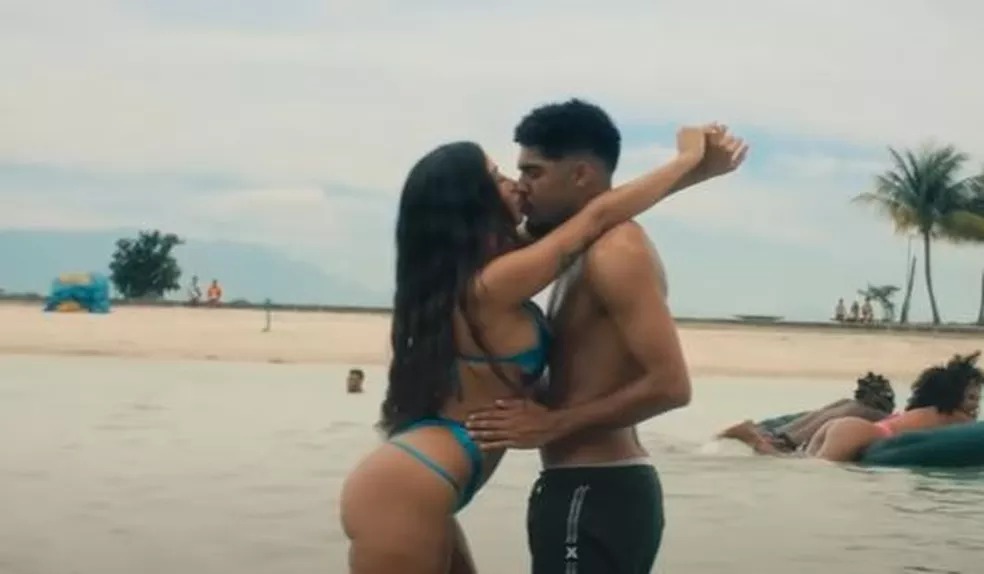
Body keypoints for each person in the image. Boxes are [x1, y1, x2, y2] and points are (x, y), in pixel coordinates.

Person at [340, 121, 739, 573]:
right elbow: (594, 219)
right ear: (473, 200)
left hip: (422, 484)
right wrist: (686, 163)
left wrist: (695, 173)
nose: (516, 184)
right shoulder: (493, 282)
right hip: (405, 487)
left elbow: (599, 212)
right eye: (498, 177)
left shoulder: (494, 269)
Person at [465, 99, 747, 574]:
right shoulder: (573, 247)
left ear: (580, 175)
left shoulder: (616, 251)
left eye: (533, 172)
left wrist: (554, 424)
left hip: (595, 489)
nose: (521, 186)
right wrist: (692, 171)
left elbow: (671, 386)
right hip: (582, 489)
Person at [731, 352, 981, 461]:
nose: (975, 404)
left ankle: (757, 441)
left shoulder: (924, 412)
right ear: (951, 396)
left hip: (846, 428)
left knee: (800, 462)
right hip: (857, 432)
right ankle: (755, 441)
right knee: (813, 469)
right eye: (970, 398)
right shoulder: (956, 418)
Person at [718, 372, 895, 452]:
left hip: (785, 431)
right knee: (857, 410)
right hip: (792, 439)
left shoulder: (850, 405)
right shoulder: (869, 414)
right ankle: (765, 441)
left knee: (849, 409)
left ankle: (767, 437)